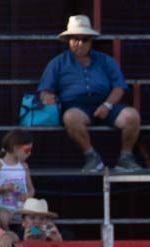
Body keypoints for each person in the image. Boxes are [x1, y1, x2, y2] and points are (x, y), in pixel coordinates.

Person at [36, 16, 142, 173]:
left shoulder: (106, 61)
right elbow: (45, 89)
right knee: (70, 117)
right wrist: (46, 97)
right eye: (75, 39)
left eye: (84, 39)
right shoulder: (57, 63)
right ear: (68, 41)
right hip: (76, 107)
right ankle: (92, 157)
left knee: (132, 116)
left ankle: (125, 158)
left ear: (91, 41)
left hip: (107, 105)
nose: (79, 43)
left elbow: (119, 86)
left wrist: (107, 105)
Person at [0, 129, 34, 231]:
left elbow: (31, 189)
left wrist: (28, 195)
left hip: (22, 207)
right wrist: (3, 188)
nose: (29, 153)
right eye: (27, 150)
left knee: (36, 214)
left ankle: (32, 237)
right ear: (15, 148)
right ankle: (7, 233)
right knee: (2, 215)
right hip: (3, 206)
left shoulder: (24, 166)